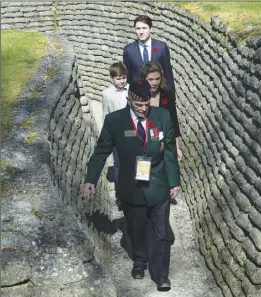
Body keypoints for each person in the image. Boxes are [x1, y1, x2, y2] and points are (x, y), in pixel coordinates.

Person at [82, 80, 180, 291]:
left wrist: (174, 182)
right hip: (131, 186)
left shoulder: (162, 117)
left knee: (161, 232)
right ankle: (140, 259)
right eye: (139, 106)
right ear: (129, 101)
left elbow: (170, 152)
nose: (144, 109)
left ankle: (161, 273)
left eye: (146, 104)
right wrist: (91, 179)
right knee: (137, 228)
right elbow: (101, 152)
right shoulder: (115, 121)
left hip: (158, 184)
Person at [139, 61, 183, 161]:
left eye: (157, 79)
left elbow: (173, 122)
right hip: (143, 147)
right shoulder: (136, 95)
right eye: (150, 79)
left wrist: (177, 148)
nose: (155, 83)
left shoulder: (166, 94)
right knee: (144, 175)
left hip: (164, 146)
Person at [123, 15, 175, 94]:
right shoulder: (129, 50)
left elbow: (168, 75)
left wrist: (171, 97)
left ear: (150, 29)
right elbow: (128, 77)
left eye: (144, 28)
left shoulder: (161, 47)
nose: (141, 32)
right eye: (138, 28)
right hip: (138, 96)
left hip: (159, 94)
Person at [102, 62, 129, 186]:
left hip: (132, 131)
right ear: (112, 78)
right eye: (118, 79)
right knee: (118, 162)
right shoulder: (107, 94)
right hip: (117, 134)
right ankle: (120, 190)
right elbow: (106, 114)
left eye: (124, 78)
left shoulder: (131, 89)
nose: (122, 81)